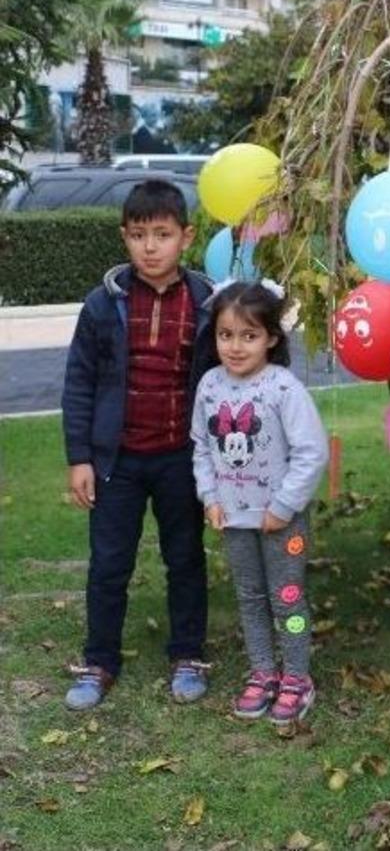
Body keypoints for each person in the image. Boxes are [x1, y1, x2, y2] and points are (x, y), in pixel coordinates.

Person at [62, 180, 217, 709]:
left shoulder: (207, 303)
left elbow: (228, 376)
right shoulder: (103, 305)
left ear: (186, 237)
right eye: (137, 235)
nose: (150, 247)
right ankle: (99, 660)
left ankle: (188, 654)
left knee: (185, 559)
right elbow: (79, 384)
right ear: (124, 238)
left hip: (181, 460)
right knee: (109, 564)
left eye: (162, 234)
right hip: (117, 462)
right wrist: (80, 457)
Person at [192, 280, 328, 724]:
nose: (235, 346)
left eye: (248, 336)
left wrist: (283, 507)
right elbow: (201, 447)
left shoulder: (284, 390)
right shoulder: (209, 386)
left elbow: (312, 452)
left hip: (280, 522)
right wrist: (209, 496)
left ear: (271, 337)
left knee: (286, 598)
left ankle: (297, 676)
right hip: (234, 520)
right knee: (249, 597)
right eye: (225, 335)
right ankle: (263, 672)